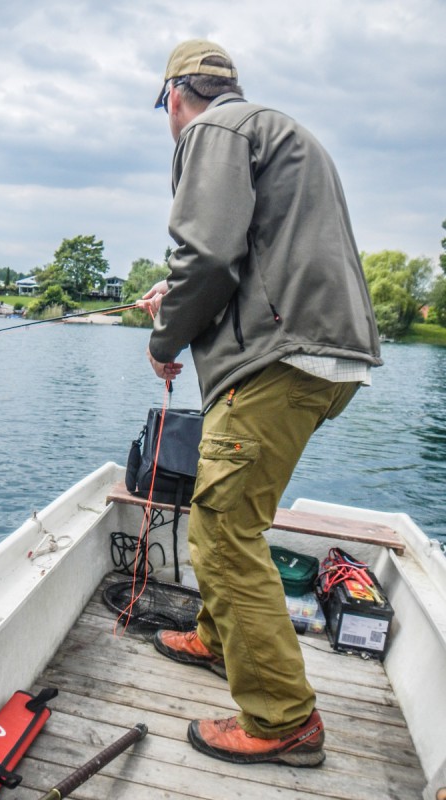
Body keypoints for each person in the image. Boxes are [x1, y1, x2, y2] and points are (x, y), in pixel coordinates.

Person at [138, 39, 382, 767]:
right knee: (237, 512)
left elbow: (208, 257)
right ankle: (220, 639)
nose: (169, 119)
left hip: (282, 357)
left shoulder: (212, 131)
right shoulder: (281, 129)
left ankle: (283, 720)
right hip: (323, 355)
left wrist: (164, 338)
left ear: (177, 96)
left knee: (218, 527)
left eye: (164, 107)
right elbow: (254, 258)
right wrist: (175, 299)